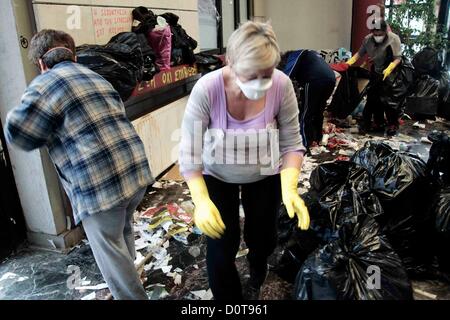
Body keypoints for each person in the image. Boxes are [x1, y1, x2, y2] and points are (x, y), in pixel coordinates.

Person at [4, 30, 154, 300]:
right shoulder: (96, 76)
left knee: (110, 250)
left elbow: (19, 134)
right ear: (73, 53)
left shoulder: (45, 83)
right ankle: (131, 273)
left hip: (100, 188)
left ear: (40, 63)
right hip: (135, 173)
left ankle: (131, 294)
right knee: (122, 230)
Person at [179, 21, 310, 300]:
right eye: (251, 75)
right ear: (230, 62)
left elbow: (291, 142)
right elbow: (189, 151)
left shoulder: (281, 85)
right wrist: (201, 200)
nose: (261, 83)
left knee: (263, 238)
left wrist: (289, 187)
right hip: (217, 175)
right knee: (220, 246)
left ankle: (257, 264)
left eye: (267, 74)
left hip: (264, 173)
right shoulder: (207, 89)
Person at [345, 19, 402, 136]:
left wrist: (390, 68)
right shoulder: (368, 40)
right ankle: (377, 122)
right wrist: (348, 63)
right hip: (376, 71)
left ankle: (392, 124)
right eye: (375, 34)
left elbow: (398, 58)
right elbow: (359, 53)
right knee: (373, 98)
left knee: (389, 101)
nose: (377, 36)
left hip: (390, 72)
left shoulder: (393, 38)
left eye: (380, 34)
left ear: (385, 32)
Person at [279, 50, 336, 149]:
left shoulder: (295, 56)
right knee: (318, 111)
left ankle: (304, 144)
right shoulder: (310, 54)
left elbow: (285, 77)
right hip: (331, 78)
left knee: (305, 114)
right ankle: (318, 138)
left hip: (314, 80)